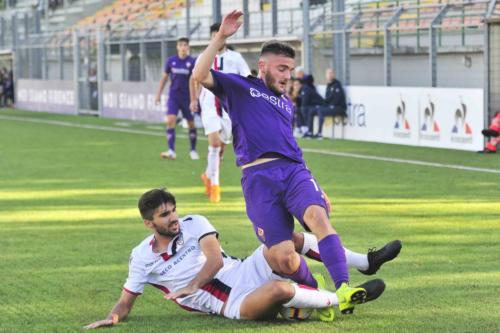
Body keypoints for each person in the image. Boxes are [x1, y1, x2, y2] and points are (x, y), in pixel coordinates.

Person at [191, 10, 402, 314]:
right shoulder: (240, 88)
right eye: (281, 68)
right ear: (262, 66)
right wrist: (221, 37)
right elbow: (199, 75)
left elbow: (290, 146)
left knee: (318, 218)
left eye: (290, 69)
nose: (287, 76)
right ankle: (321, 295)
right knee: (284, 257)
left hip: (293, 172)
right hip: (258, 180)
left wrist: (316, 182)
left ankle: (344, 287)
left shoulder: (286, 103)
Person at [84, 188, 389, 329]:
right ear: (149, 223)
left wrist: (192, 285)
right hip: (229, 302)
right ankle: (339, 300)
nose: (174, 218)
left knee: (284, 243)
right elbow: (125, 302)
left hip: (242, 269)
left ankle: (364, 262)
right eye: (165, 215)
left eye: (173, 210)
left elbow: (215, 260)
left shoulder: (194, 223)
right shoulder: (141, 258)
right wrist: (112, 318)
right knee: (280, 290)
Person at [190, 23, 251, 203]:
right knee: (215, 143)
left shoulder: (236, 58)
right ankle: (215, 186)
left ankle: (208, 175)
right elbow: (194, 78)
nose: (219, 38)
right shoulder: (203, 57)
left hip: (228, 107)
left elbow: (246, 78)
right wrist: (194, 99)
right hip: (208, 104)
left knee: (221, 147)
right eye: (216, 34)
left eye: (222, 35)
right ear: (212, 37)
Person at [155, 37, 199, 161]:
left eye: (185, 45)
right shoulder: (171, 61)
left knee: (191, 123)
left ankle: (193, 150)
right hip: (174, 96)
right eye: (180, 45)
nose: (183, 47)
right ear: (177, 47)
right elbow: (164, 78)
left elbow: (196, 81)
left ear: (188, 47)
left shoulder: (192, 62)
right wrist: (158, 94)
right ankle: (171, 151)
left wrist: (195, 98)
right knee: (170, 120)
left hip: (187, 97)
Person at [303, 68, 347, 139]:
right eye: (328, 73)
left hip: (339, 108)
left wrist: (326, 106)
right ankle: (310, 132)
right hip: (329, 106)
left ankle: (319, 133)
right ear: (326, 75)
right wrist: (322, 105)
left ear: (334, 74)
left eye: (331, 73)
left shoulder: (337, 84)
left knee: (321, 111)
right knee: (312, 110)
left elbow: (336, 100)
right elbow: (327, 99)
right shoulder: (329, 85)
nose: (329, 75)